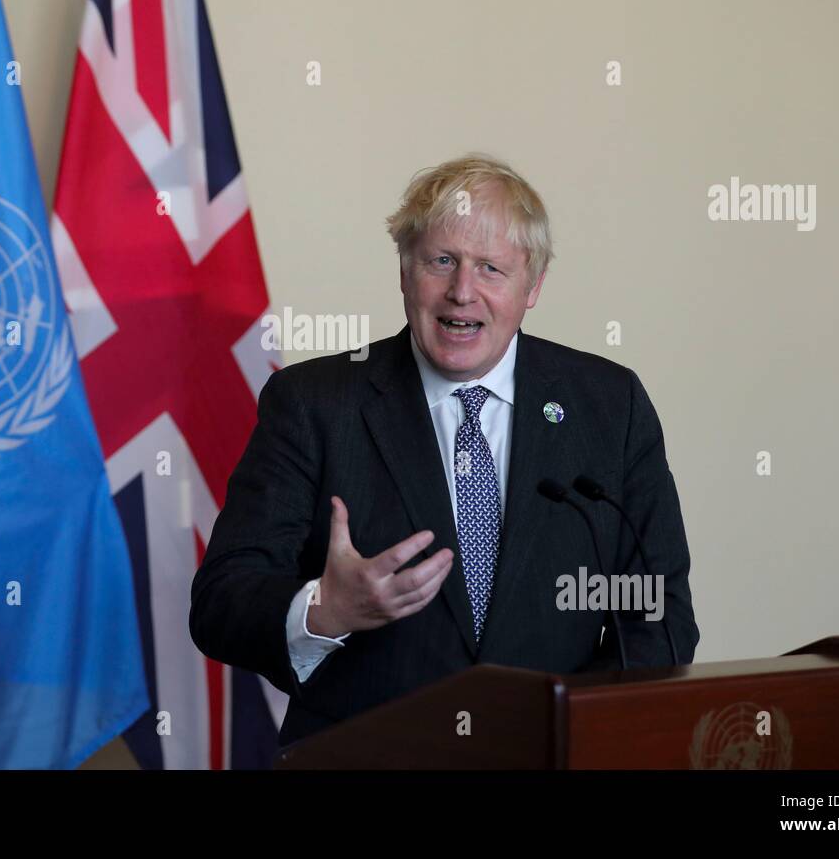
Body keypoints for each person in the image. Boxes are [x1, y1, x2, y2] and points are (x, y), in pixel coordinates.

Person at [189, 154, 698, 749]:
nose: (462, 292)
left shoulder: (611, 406)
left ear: (532, 286)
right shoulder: (314, 404)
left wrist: (596, 739)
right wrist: (326, 609)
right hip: (366, 759)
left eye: (491, 268)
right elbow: (221, 602)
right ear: (405, 272)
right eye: (442, 262)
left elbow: (657, 610)